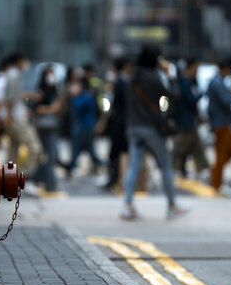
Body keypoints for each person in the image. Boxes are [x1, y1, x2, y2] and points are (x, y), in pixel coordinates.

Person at [121, 44, 187, 220]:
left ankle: (128, 206)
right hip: (151, 127)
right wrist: (170, 74)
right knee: (165, 164)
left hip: (133, 127)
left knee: (134, 166)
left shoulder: (132, 77)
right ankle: (172, 205)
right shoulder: (153, 78)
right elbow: (174, 95)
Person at [3, 52, 43, 192]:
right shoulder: (13, 74)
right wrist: (8, 117)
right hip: (16, 119)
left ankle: (7, 182)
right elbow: (9, 98)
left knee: (12, 152)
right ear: (19, 60)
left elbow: (15, 96)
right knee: (35, 148)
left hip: (14, 117)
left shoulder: (12, 74)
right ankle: (24, 178)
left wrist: (30, 97)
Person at [172, 57, 209, 180]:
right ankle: (173, 167)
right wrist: (201, 94)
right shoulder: (184, 81)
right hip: (185, 120)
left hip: (189, 120)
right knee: (181, 147)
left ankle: (202, 169)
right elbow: (191, 99)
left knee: (196, 146)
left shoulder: (189, 80)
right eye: (196, 68)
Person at [64, 69, 103, 178]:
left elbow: (78, 106)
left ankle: (102, 164)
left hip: (85, 126)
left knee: (83, 149)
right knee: (84, 149)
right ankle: (73, 167)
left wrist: (73, 96)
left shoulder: (86, 95)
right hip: (84, 125)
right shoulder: (87, 94)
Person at [207, 57, 231, 192]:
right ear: (226, 69)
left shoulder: (217, 81)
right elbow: (226, 101)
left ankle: (215, 175)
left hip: (221, 121)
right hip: (221, 122)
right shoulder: (217, 83)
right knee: (221, 153)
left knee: (230, 151)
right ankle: (217, 183)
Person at [103, 58, 132, 189]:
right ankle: (117, 179)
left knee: (118, 153)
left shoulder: (120, 83)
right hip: (122, 123)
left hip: (120, 123)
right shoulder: (123, 83)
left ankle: (118, 179)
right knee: (119, 153)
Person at [34, 64, 63, 192]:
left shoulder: (54, 90)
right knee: (50, 156)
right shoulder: (41, 91)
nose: (51, 76)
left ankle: (35, 177)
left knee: (52, 156)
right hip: (44, 127)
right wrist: (52, 108)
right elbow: (37, 109)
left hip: (53, 126)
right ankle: (50, 185)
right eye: (49, 73)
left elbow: (59, 108)